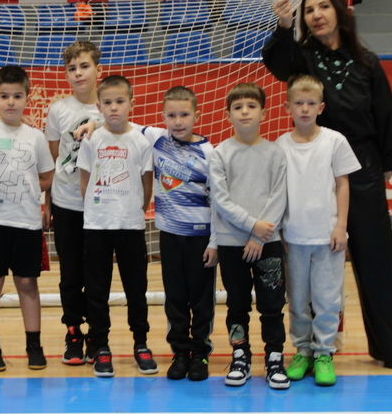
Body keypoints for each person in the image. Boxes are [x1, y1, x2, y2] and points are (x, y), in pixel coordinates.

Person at [264, 0, 392, 369]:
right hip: (318, 169)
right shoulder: (303, 58)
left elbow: (386, 114)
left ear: (340, 12)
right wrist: (284, 25)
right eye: (309, 9)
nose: (316, 14)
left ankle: (389, 349)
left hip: (364, 167)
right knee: (315, 265)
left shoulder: (368, 62)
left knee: (376, 260)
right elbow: (276, 62)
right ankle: (314, 348)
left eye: (323, 6)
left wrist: (387, 163)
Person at [277, 75, 361, 387]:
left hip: (328, 237)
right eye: (298, 103)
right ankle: (302, 351)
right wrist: (279, 230)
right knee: (298, 300)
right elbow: (277, 192)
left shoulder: (334, 141)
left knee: (327, 299)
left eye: (311, 103)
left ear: (321, 107)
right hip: (293, 237)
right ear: (287, 107)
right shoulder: (280, 146)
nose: (304, 108)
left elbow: (343, 184)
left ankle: (324, 352)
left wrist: (341, 226)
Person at [0, 65, 55, 372]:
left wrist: (26, 188)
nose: (10, 102)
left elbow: (48, 176)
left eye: (17, 96)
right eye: (4, 96)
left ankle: (34, 346)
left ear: (26, 99)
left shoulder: (36, 137)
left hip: (26, 224)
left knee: (27, 284)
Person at [209, 82, 289, 390]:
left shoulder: (275, 153)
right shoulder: (220, 154)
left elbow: (279, 196)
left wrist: (260, 234)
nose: (245, 112)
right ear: (227, 114)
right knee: (237, 304)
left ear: (263, 113)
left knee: (272, 304)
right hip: (232, 244)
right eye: (238, 107)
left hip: (267, 243)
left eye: (251, 106)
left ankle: (274, 357)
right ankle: (240, 355)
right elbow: (221, 200)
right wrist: (251, 226)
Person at [76, 75, 156, 378]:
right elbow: (85, 182)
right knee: (97, 290)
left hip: (130, 226)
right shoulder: (92, 139)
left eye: (120, 101)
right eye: (107, 102)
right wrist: (99, 210)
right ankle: (100, 345)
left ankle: (141, 343)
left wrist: (132, 212)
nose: (113, 108)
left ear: (131, 103)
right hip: (97, 226)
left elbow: (146, 186)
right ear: (98, 106)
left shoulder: (141, 141)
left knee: (136, 290)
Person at [143, 87, 218, 381]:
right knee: (175, 297)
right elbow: (119, 123)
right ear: (163, 116)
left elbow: (217, 202)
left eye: (184, 114)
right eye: (171, 115)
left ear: (197, 115)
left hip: (201, 239)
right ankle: (179, 351)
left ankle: (200, 352)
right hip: (169, 236)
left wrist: (215, 242)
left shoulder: (210, 153)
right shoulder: (157, 139)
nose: (178, 121)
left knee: (201, 298)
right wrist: (91, 123)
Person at [43, 41, 103, 366]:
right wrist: (49, 201)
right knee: (70, 275)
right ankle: (73, 333)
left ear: (98, 70)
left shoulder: (109, 107)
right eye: (71, 68)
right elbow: (55, 158)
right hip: (66, 204)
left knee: (96, 274)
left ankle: (96, 334)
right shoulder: (58, 110)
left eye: (84, 66)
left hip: (101, 206)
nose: (78, 73)